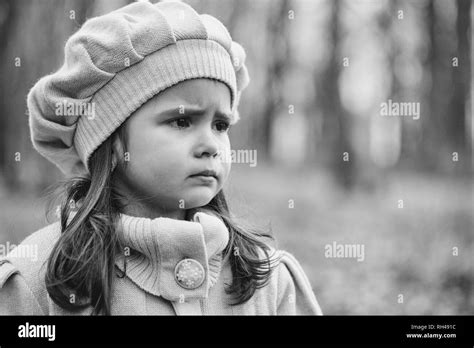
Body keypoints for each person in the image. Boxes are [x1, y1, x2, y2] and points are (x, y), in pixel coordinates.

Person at [0, 0, 322, 315]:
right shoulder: (36, 282)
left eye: (220, 125)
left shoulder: (267, 280)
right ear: (110, 144)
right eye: (182, 121)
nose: (211, 144)